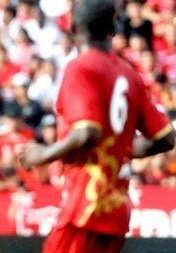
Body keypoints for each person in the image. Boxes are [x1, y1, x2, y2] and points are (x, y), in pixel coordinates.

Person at [20, 0, 176, 252]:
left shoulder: (80, 68)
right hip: (116, 210)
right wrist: (122, 148)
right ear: (112, 29)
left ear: (73, 26)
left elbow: (87, 132)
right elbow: (167, 138)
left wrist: (43, 154)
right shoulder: (130, 75)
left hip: (85, 205)